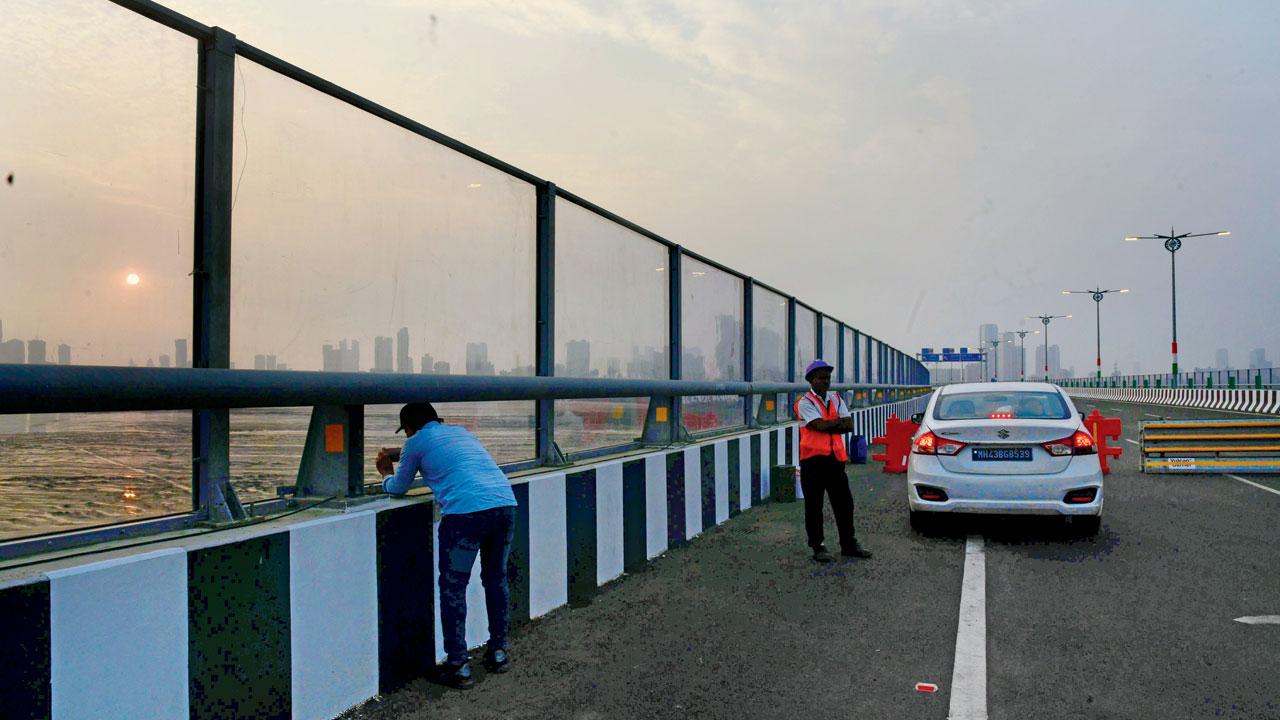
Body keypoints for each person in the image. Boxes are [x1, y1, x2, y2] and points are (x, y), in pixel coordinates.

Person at [376, 402, 518, 690]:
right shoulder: (463, 433)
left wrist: (384, 473)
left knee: (453, 588)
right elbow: (441, 453)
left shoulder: (415, 443)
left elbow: (398, 487)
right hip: (504, 504)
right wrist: (402, 452)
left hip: (465, 514)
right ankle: (498, 652)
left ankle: (458, 665)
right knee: (495, 580)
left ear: (410, 429)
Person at [793, 360, 873, 563]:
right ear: (811, 380)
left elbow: (848, 425)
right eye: (821, 378)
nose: (826, 382)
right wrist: (835, 423)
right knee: (814, 505)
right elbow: (818, 425)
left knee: (845, 504)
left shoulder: (836, 398)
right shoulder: (804, 403)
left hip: (835, 460)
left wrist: (831, 424)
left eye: (828, 378)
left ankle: (848, 543)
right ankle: (817, 545)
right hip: (812, 461)